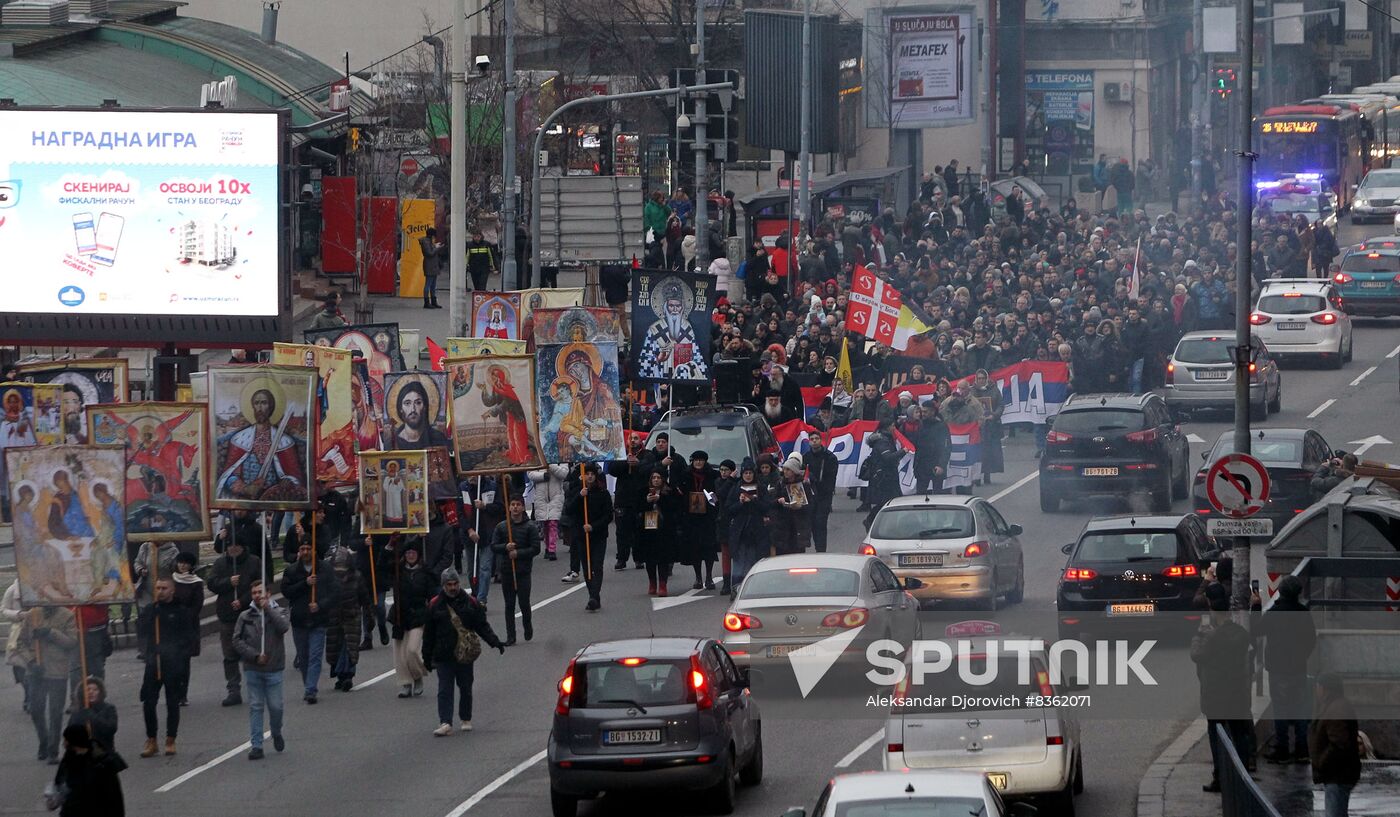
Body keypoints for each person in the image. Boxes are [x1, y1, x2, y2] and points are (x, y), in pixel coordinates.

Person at [423, 567, 505, 735]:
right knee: (444, 689)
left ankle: (465, 718)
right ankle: (445, 722)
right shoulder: (434, 605)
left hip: (465, 654)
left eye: (455, 584)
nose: (453, 587)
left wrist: (495, 642)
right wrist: (427, 658)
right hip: (444, 654)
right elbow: (428, 634)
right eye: (449, 584)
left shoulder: (470, 602)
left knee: (465, 687)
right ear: (443, 585)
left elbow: (481, 625)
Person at [1192, 582, 1253, 793]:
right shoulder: (1240, 633)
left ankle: (1220, 777)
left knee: (1217, 736)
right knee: (1239, 734)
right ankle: (1244, 775)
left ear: (1210, 605)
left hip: (1215, 693)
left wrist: (1200, 634)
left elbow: (1196, 655)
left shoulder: (1210, 635)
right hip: (1237, 691)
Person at [1256, 575, 1316, 764]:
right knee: (1299, 708)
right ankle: (1302, 750)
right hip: (1297, 667)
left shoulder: (1274, 613)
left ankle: (1282, 748)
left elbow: (1256, 629)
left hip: (1278, 668)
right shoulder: (1303, 612)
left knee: (1280, 708)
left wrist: (1256, 607)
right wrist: (1302, 656)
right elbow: (1311, 639)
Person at [215, 387, 306, 505]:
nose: (260, 408)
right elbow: (229, 475)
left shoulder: (284, 441)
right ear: (252, 406)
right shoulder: (240, 438)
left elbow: (295, 475)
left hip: (273, 503)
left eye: (264, 403)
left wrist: (288, 481)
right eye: (256, 403)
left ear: (271, 406)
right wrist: (245, 488)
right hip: (245, 502)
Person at [232, 579, 290, 760]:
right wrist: (255, 656)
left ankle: (276, 730)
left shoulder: (280, 611)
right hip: (253, 668)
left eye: (260, 592)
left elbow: (283, 627)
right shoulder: (245, 616)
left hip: (274, 668)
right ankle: (256, 745)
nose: (257, 596)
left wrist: (268, 610)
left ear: (268, 593)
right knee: (256, 706)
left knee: (275, 706)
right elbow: (236, 640)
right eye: (254, 593)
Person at [136, 577, 194, 757]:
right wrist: (149, 618)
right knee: (148, 701)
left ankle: (170, 738)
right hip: (154, 662)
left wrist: (177, 653)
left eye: (164, 588)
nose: (160, 591)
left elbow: (189, 638)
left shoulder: (181, 611)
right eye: (158, 588)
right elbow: (141, 630)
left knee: (172, 702)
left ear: (172, 590)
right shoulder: (151, 609)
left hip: (173, 663)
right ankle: (151, 739)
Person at [208, 537, 261, 707]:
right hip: (227, 615)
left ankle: (257, 686)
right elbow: (211, 583)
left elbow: (261, 584)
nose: (232, 549)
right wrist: (228, 582)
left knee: (251, 652)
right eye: (230, 545)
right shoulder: (220, 563)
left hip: (250, 614)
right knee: (229, 654)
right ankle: (233, 689)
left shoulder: (254, 562)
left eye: (236, 545)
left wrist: (244, 600)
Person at [19, 605, 75, 763]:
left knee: (55, 712)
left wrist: (51, 633)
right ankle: (43, 740)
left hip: (57, 670)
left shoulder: (67, 615)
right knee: (36, 709)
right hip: (36, 671)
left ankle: (53, 750)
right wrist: (30, 661)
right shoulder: (32, 614)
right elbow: (20, 642)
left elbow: (71, 642)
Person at [281, 540, 334, 704]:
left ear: (313, 550)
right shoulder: (291, 571)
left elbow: (333, 592)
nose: (305, 552)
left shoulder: (325, 568)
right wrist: (305, 584)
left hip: (318, 620)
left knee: (315, 656)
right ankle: (308, 684)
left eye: (308, 548)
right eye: (302, 549)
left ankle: (311, 689)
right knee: (303, 657)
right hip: (299, 620)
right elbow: (287, 591)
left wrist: (320, 605)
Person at [1309, 672, 1361, 817]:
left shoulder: (1336, 709)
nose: (1316, 691)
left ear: (1325, 689)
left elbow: (1339, 743)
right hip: (1338, 774)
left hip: (1337, 775)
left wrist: (1322, 761)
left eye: (1318, 687)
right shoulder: (1334, 706)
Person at [491, 495, 540, 645]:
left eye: (518, 504)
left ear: (523, 507)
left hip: (523, 571)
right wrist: (505, 548)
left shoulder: (530, 527)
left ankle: (527, 626)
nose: (515, 507)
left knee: (524, 602)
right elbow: (493, 546)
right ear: (509, 507)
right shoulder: (502, 527)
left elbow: (536, 548)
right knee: (509, 604)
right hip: (507, 571)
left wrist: (518, 553)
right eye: (512, 504)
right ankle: (510, 635)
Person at [565, 464, 614, 611]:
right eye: (587, 474)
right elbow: (569, 510)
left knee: (597, 566)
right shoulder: (577, 492)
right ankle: (593, 596)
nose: (590, 476)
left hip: (598, 536)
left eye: (592, 474)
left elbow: (608, 516)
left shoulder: (603, 493)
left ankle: (594, 595)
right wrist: (580, 496)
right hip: (581, 536)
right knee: (586, 567)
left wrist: (593, 526)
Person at [388, 540, 432, 698]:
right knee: (400, 654)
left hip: (418, 615)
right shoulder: (397, 570)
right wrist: (390, 546)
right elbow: (382, 565)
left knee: (412, 650)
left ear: (418, 554)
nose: (410, 555)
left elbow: (432, 593)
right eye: (407, 553)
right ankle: (405, 684)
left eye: (413, 553)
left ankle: (418, 676)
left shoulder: (425, 572)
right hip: (400, 615)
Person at [52, 723, 126, 817]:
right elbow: (59, 782)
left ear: (74, 740)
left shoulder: (102, 764)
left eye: (66, 739)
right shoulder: (69, 758)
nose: (64, 743)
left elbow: (114, 797)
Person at [325, 543, 370, 692]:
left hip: (352, 617)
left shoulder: (357, 577)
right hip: (334, 618)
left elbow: (364, 598)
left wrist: (369, 616)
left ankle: (348, 675)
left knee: (349, 648)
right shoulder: (329, 578)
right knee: (335, 647)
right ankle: (339, 676)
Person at [726, 459, 772, 594]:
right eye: (745, 473)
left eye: (750, 473)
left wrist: (753, 500)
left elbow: (767, 507)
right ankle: (735, 589)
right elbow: (729, 509)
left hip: (756, 532)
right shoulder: (736, 488)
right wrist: (740, 503)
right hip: (739, 532)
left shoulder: (761, 487)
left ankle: (750, 590)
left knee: (752, 562)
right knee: (739, 562)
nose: (748, 475)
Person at [678, 451, 720, 590]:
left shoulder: (713, 475)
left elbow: (717, 493)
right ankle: (698, 577)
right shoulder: (686, 475)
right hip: (691, 518)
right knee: (694, 548)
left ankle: (709, 577)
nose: (698, 463)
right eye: (696, 460)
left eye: (701, 460)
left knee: (708, 547)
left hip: (707, 517)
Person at [637, 469, 681, 597]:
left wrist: (661, 499)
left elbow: (674, 508)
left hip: (665, 529)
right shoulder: (643, 491)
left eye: (658, 477)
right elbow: (636, 507)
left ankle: (663, 584)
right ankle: (652, 583)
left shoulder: (670, 491)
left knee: (663, 558)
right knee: (649, 559)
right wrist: (647, 501)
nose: (656, 480)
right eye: (654, 478)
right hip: (648, 529)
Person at [169, 552, 204, 706]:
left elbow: (197, 605)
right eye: (180, 562)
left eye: (186, 563)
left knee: (184, 661)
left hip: (187, 627)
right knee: (172, 660)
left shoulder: (196, 583)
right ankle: (173, 691)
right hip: (171, 626)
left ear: (191, 565)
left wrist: (183, 617)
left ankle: (183, 694)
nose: (182, 565)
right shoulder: (171, 580)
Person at [863, 419, 905, 529]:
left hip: (887, 475)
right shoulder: (883, 441)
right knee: (885, 502)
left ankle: (888, 524)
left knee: (890, 501)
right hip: (883, 477)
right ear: (887, 427)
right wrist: (903, 451)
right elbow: (888, 457)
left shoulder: (887, 439)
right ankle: (870, 520)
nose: (894, 428)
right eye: (892, 426)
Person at [388, 381, 451, 449]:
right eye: (407, 403)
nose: (413, 409)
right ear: (400, 408)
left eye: (418, 403)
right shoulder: (393, 442)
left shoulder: (438, 438)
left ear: (424, 407)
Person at [803, 431, 838, 552]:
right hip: (810, 497)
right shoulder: (806, 457)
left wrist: (817, 481)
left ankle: (821, 550)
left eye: (816, 438)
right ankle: (817, 547)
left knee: (820, 523)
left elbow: (831, 479)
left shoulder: (829, 457)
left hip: (824, 496)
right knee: (812, 523)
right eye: (811, 439)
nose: (814, 441)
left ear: (821, 440)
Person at [773, 454, 814, 555]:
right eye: (784, 469)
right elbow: (772, 502)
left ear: (794, 471)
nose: (785, 472)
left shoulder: (804, 485)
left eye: (788, 469)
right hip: (784, 525)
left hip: (799, 525)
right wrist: (779, 501)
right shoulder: (780, 484)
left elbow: (811, 505)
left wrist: (801, 507)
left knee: (797, 555)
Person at [528, 464, 569, 562]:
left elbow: (564, 473)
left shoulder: (559, 459)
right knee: (545, 524)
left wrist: (551, 466)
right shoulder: (538, 458)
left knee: (553, 523)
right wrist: (542, 476)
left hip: (556, 495)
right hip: (541, 496)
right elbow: (530, 473)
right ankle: (547, 546)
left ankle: (552, 549)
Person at [970, 369, 1004, 485]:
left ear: (986, 378)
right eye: (979, 378)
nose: (981, 380)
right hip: (977, 427)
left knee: (989, 451)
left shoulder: (994, 390)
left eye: (983, 378)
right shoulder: (972, 391)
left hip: (991, 426)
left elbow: (1000, 405)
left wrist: (993, 415)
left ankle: (987, 474)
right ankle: (977, 476)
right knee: (977, 452)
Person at [67, 676, 118, 753]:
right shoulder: (77, 712)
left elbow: (110, 729)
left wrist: (91, 715)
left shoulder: (109, 709)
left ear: (100, 692)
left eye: (95, 690)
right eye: (87, 690)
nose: (91, 692)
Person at [419, 226, 444, 309]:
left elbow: (430, 250)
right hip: (430, 265)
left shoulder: (428, 241)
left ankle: (433, 301)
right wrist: (437, 248)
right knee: (428, 284)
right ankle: (427, 302)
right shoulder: (426, 242)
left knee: (433, 284)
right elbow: (429, 253)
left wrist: (435, 246)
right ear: (432, 235)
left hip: (432, 265)